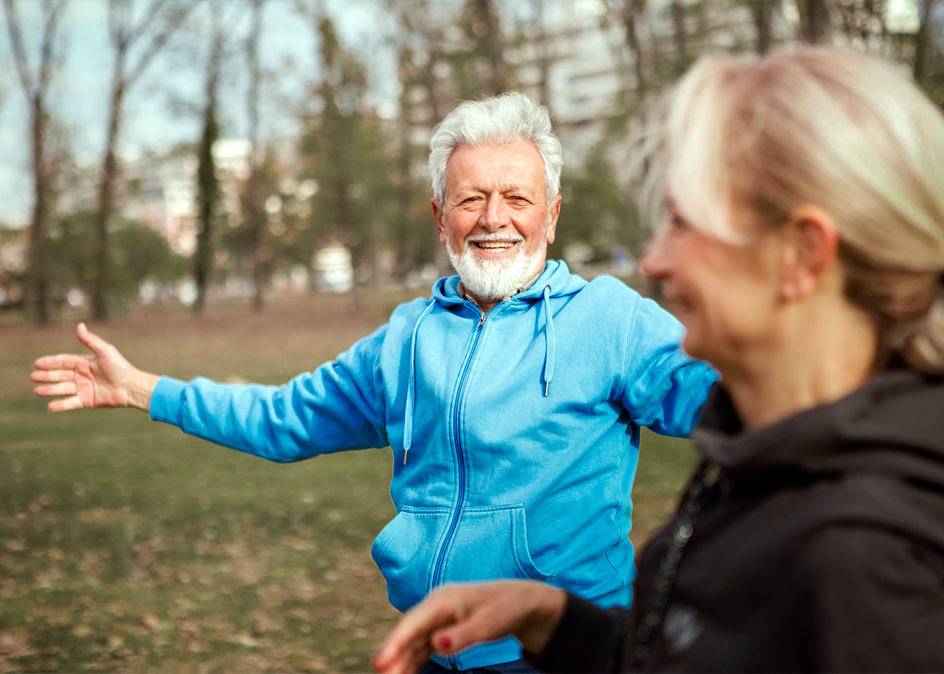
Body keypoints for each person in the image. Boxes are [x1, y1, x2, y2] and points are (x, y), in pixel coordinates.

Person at [31, 92, 717, 672]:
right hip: (428, 649)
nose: (494, 219)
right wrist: (141, 388)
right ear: (439, 216)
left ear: (553, 214)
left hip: (563, 652)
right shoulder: (406, 338)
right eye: (471, 198)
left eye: (517, 198)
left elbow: (737, 401)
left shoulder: (609, 319)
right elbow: (282, 419)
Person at [372, 47, 944, 674]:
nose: (655, 261)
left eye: (683, 221)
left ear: (801, 257)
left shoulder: (862, 556)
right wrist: (555, 622)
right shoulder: (769, 461)